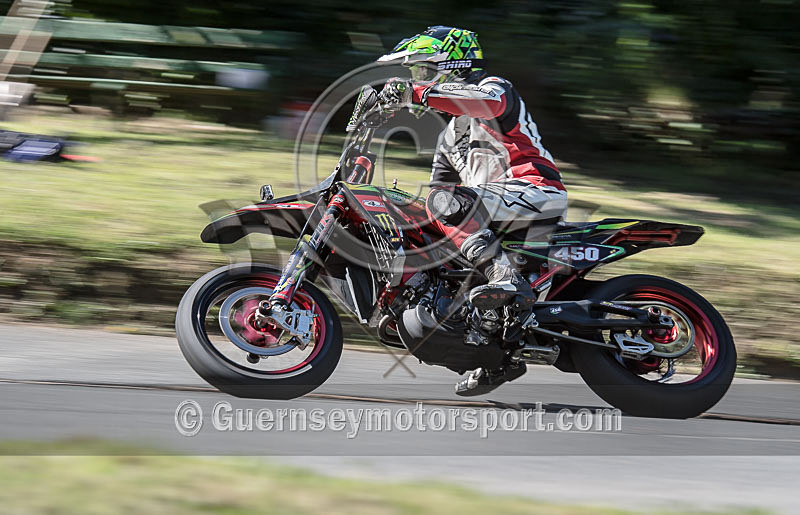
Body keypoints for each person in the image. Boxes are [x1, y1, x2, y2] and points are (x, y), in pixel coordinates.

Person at [377, 26, 568, 395]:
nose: (418, 79)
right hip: (492, 212)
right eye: (415, 74)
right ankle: (497, 357)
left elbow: (485, 104)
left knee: (445, 203)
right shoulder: (450, 137)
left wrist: (416, 93)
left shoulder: (495, 87)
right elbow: (439, 189)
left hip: (535, 190)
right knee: (428, 233)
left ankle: (504, 276)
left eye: (424, 70)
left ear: (451, 64)